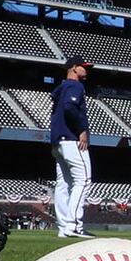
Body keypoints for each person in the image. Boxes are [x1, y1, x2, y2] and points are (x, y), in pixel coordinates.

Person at [49, 55, 94, 239]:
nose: (86, 70)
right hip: (71, 139)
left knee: (63, 183)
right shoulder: (75, 85)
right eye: (84, 67)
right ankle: (73, 225)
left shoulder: (61, 87)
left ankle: (63, 227)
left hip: (57, 141)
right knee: (83, 180)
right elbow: (69, 107)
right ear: (74, 68)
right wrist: (82, 130)